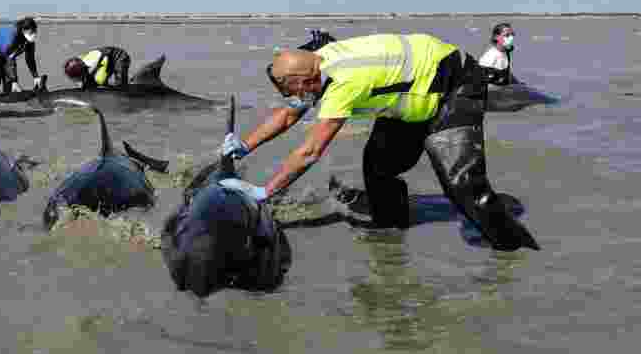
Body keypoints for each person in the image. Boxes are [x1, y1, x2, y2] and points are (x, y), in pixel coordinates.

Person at [220, 33, 539, 252]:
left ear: (306, 81)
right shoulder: (319, 60)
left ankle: (515, 250)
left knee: (462, 186)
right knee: (377, 167)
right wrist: (245, 145)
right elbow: (290, 114)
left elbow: (310, 151)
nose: (294, 99)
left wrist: (265, 192)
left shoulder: (344, 83)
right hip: (410, 93)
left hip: (454, 85)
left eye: (293, 91)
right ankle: (392, 231)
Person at [0, 17, 42, 98]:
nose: (34, 34)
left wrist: (35, 76)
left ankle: (7, 101)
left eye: (35, 31)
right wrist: (14, 81)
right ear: (24, 30)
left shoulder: (30, 42)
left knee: (8, 81)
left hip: (7, 53)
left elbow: (30, 59)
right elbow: (10, 60)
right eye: (31, 32)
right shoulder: (12, 37)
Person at [63, 46, 132, 89]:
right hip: (104, 58)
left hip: (119, 57)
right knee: (90, 84)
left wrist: (103, 84)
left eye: (77, 78)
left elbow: (102, 76)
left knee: (120, 86)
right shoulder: (82, 63)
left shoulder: (92, 64)